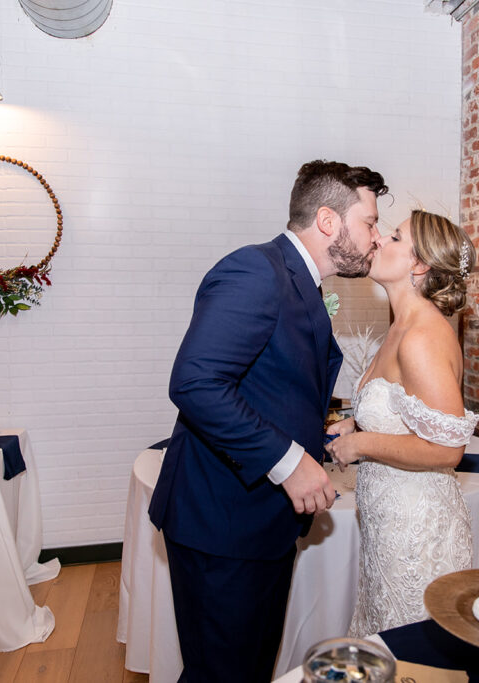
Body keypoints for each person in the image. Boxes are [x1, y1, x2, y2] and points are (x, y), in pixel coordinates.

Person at [148, 160, 389, 682]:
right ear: (329, 221)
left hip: (259, 521)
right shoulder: (256, 270)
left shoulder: (300, 280)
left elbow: (271, 384)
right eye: (369, 222)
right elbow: (195, 383)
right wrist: (288, 461)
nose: (377, 236)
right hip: (223, 522)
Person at [325, 209, 479, 636]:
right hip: (388, 526)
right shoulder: (399, 326)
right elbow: (405, 411)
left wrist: (361, 445)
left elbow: (449, 449)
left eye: (394, 237)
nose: (378, 240)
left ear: (419, 265)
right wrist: (355, 427)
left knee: (413, 653)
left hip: (416, 533)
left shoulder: (421, 337)